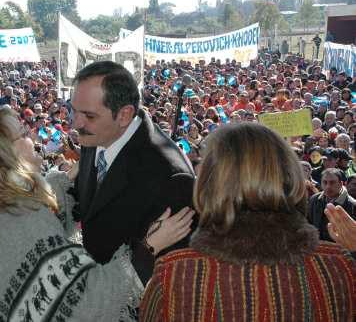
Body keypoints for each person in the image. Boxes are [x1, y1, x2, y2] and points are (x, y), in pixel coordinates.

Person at [0, 106, 193, 321]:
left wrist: (72, 176)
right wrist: (149, 247)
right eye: (24, 134)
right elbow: (85, 302)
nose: (31, 138)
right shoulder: (20, 219)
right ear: (7, 153)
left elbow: (37, 203)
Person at [140, 123, 356, 321]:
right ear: (292, 178)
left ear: (209, 184)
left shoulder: (174, 273)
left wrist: (145, 251)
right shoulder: (339, 267)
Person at [71, 61, 195, 283]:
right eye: (74, 111)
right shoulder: (94, 137)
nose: (76, 123)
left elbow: (167, 276)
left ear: (124, 115)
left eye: (89, 116)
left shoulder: (172, 177)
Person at [308, 168, 356, 241]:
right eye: (325, 182)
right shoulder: (314, 199)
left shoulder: (352, 205)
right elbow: (309, 223)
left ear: (341, 184)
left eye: (332, 182)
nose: (328, 186)